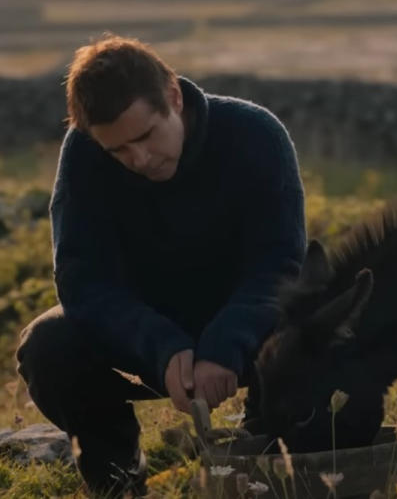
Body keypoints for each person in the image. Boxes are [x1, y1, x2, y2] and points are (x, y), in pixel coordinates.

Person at [15, 35, 306, 497]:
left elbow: (279, 264)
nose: (139, 160)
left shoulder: (256, 135)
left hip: (248, 325)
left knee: (322, 321)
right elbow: (83, 282)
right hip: (144, 331)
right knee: (47, 346)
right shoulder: (84, 153)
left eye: (147, 136)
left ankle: (268, 443)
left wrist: (226, 343)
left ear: (173, 97)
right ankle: (118, 476)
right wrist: (163, 347)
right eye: (119, 152)